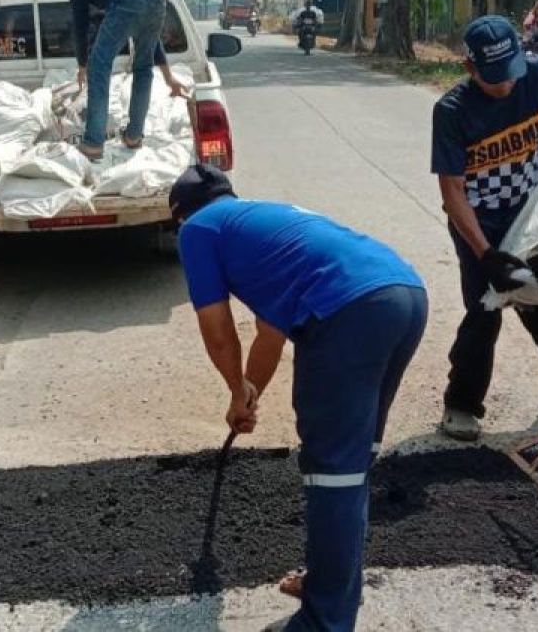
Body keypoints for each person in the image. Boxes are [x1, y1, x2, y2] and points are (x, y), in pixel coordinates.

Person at [169, 165, 428, 631]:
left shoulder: (197, 230)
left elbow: (217, 327)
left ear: (180, 215)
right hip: (404, 295)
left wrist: (233, 389)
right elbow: (269, 335)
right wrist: (247, 394)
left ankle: (324, 621)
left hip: (350, 312)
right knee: (352, 468)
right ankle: (330, 584)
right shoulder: (260, 223)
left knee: (333, 475)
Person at [431, 15, 538, 441]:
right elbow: (453, 192)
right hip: (479, 221)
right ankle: (461, 405)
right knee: (486, 309)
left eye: (510, 74)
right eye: (494, 79)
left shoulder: (535, 71)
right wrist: (486, 255)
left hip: (531, 213)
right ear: (469, 68)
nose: (506, 86)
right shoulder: (452, 111)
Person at [64, 0, 189, 161]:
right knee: (143, 67)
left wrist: (83, 64)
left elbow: (81, 25)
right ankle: (133, 136)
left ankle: (94, 143)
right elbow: (153, 41)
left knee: (98, 65)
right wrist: (169, 78)